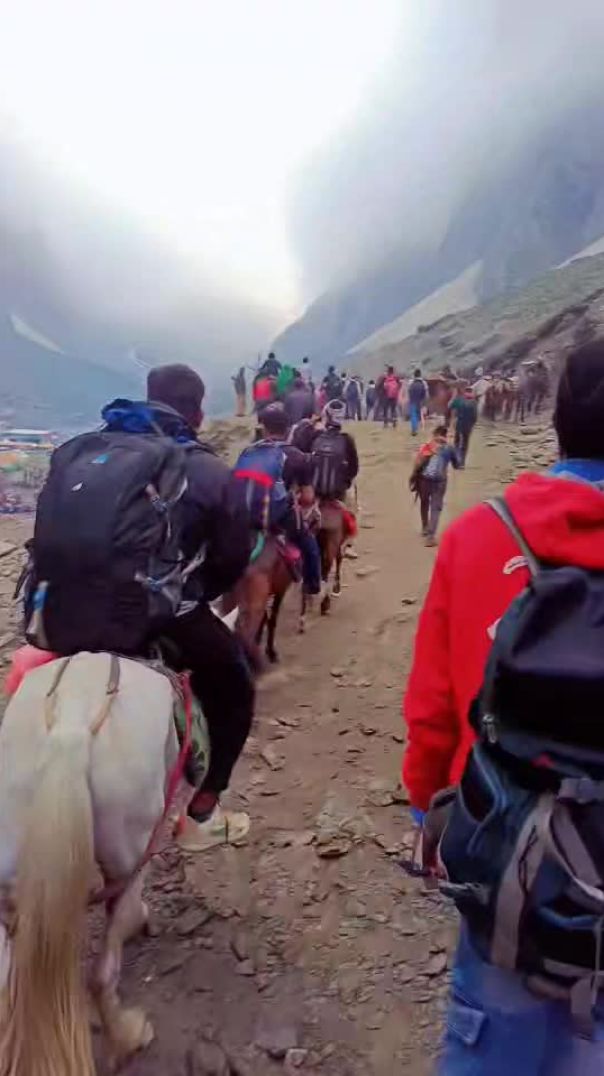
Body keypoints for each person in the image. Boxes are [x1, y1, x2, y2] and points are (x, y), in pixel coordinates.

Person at [403, 341, 604, 1074]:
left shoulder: (481, 533)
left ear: (556, 418)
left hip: (504, 844)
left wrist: (428, 813)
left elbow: (431, 709)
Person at [30, 364, 254, 853]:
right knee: (237, 686)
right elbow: (233, 556)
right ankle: (203, 812)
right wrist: (196, 591)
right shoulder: (207, 470)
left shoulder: (91, 453)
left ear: (148, 396)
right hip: (161, 615)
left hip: (67, 612)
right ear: (197, 413)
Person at [249, 403, 321, 599]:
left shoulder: (249, 452)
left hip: (246, 516)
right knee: (310, 545)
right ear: (288, 430)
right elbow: (308, 497)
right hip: (281, 518)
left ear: (263, 428)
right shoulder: (298, 457)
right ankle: (312, 585)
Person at [409, 424, 460, 545]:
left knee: (424, 502)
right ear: (445, 435)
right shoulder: (449, 448)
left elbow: (417, 463)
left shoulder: (427, 445)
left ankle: (425, 527)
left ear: (435, 434)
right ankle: (431, 536)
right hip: (440, 481)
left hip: (424, 480)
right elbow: (457, 464)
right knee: (435, 507)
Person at [448, 384, 478, 467]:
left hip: (459, 424)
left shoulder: (459, 400)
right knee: (465, 444)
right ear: (471, 393)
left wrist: (454, 397)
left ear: (465, 393)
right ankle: (462, 463)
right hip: (468, 426)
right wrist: (472, 425)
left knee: (457, 442)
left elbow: (450, 406)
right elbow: (475, 417)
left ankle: (456, 460)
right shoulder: (474, 403)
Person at [408, 368, 429, 436]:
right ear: (420, 374)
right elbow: (426, 394)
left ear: (414, 375)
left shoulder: (411, 382)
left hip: (413, 400)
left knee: (413, 415)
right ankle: (418, 427)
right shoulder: (424, 383)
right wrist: (425, 403)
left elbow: (409, 391)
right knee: (418, 415)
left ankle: (414, 429)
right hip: (420, 401)